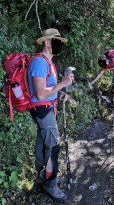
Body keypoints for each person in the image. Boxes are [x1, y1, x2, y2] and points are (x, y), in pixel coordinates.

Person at [28, 28, 73, 203]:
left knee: (42, 141)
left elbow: (50, 89)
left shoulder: (50, 63)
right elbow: (40, 94)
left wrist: (60, 92)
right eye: (57, 41)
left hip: (48, 107)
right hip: (42, 109)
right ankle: (51, 184)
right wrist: (62, 83)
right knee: (53, 145)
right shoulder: (39, 62)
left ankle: (42, 175)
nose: (59, 44)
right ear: (47, 42)